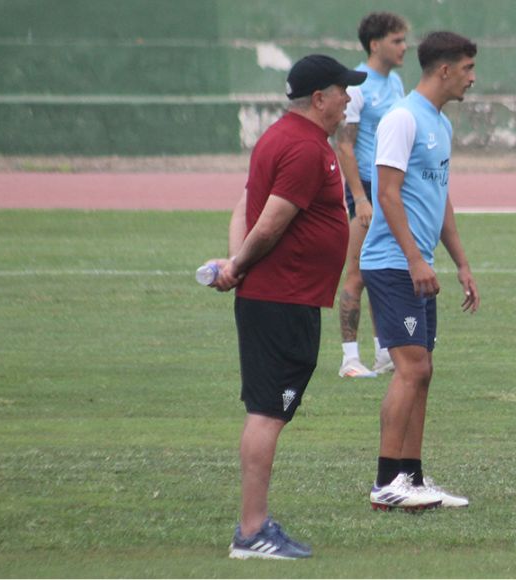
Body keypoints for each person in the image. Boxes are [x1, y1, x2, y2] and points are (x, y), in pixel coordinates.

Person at [207, 54, 366, 559]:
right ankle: (251, 531)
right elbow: (271, 220)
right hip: (283, 299)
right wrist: (241, 265)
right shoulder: (302, 147)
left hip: (281, 297)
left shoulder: (280, 137)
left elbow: (244, 202)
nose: (348, 99)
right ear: (319, 98)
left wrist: (236, 262)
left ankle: (255, 527)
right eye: (343, 90)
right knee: (267, 413)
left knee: (268, 410)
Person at [360, 31, 480, 511]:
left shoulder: (440, 124)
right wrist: (413, 258)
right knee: (411, 368)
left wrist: (462, 262)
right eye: (469, 69)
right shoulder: (402, 119)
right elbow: (386, 194)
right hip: (393, 264)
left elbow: (440, 195)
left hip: (418, 266)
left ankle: (412, 478)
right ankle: (386, 482)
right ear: (446, 70)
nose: (473, 79)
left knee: (423, 371)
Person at [335, 12, 408, 379]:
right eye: (397, 40)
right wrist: (360, 198)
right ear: (376, 44)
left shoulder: (395, 84)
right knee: (357, 273)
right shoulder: (358, 87)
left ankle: (383, 352)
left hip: (386, 191)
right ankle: (350, 359)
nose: (404, 47)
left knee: (381, 271)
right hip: (365, 193)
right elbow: (344, 146)